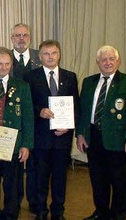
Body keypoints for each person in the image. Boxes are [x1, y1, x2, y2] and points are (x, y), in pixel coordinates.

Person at [76, 45, 126, 220]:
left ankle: (118, 215)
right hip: (94, 138)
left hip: (118, 140)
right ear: (98, 62)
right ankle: (101, 212)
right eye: (104, 60)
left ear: (118, 61)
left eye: (111, 59)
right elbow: (83, 111)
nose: (108, 63)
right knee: (98, 180)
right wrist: (80, 134)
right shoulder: (88, 82)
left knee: (119, 181)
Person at [23, 40, 79, 220]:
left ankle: (58, 211)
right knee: (40, 176)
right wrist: (39, 111)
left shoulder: (70, 77)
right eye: (46, 54)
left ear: (59, 54)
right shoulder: (31, 77)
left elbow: (75, 106)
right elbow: (26, 105)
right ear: (39, 57)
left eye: (54, 53)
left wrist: (69, 125)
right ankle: (40, 211)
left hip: (62, 137)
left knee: (60, 177)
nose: (50, 57)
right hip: (40, 137)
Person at [0, 47, 34, 220]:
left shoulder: (22, 86)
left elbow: (28, 117)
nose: (3, 68)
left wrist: (26, 144)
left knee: (12, 184)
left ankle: (10, 214)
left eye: (7, 64)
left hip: (13, 144)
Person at [10, 23, 41, 213]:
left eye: (25, 35)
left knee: (35, 165)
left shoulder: (40, 57)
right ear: (12, 38)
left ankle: (35, 201)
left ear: (30, 37)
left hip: (37, 120)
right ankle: (15, 201)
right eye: (17, 35)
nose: (21, 39)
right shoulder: (3, 58)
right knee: (14, 165)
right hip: (12, 120)